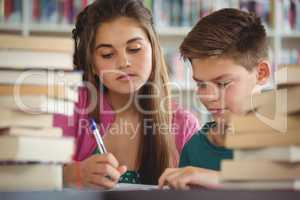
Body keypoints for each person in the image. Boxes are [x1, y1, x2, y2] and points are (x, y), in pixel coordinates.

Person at [54, 0, 200, 189]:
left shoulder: (185, 125)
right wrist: (69, 175)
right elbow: (15, 178)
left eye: (134, 49)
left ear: (154, 50)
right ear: (92, 64)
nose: (123, 63)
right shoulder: (69, 107)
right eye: (107, 54)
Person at [159, 8, 271, 190]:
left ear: (261, 73)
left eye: (223, 83)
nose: (208, 96)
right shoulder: (194, 149)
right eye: (201, 84)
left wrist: (219, 180)